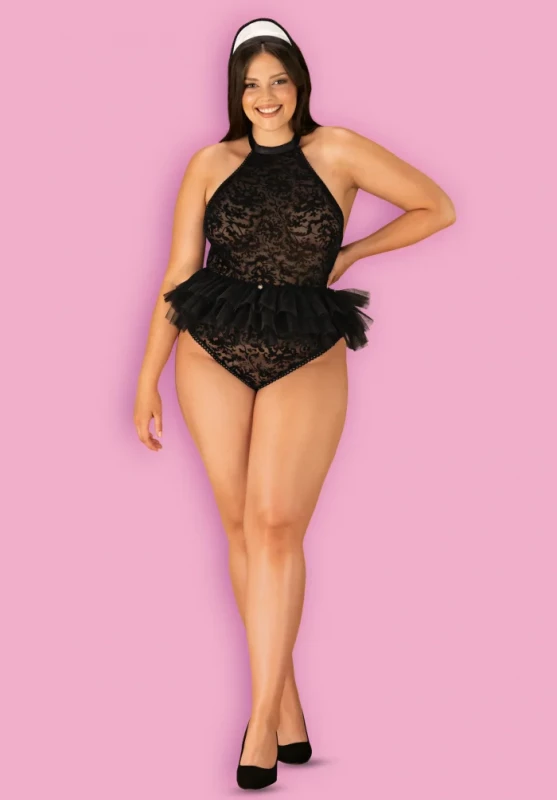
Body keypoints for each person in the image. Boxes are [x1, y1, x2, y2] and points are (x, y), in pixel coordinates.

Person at [133, 16, 456, 790]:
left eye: (278, 80)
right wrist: (146, 376)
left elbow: (435, 207)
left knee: (277, 524)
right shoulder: (209, 162)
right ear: (234, 92)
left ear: (299, 83)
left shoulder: (336, 149)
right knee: (240, 526)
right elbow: (179, 272)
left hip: (306, 341)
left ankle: (258, 724)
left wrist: (349, 254)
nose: (266, 96)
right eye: (251, 84)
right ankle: (284, 708)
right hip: (210, 343)